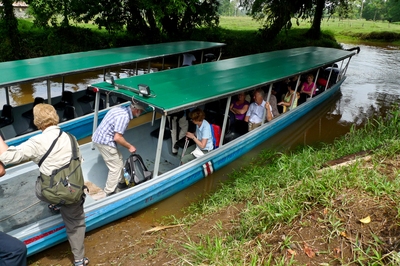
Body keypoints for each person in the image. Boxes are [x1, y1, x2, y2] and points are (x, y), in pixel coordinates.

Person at [0, 104, 88, 266]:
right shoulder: (70, 137)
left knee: (40, 184)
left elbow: (7, 158)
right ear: (55, 117)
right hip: (73, 190)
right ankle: (79, 259)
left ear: (36, 121)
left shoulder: (37, 142)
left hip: (51, 192)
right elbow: (79, 161)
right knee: (76, 223)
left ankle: (55, 203)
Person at [92, 101, 144, 196]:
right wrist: (130, 146)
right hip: (105, 141)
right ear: (137, 110)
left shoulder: (120, 108)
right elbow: (117, 137)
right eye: (141, 111)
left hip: (99, 137)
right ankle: (108, 193)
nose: (141, 113)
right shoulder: (124, 117)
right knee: (115, 168)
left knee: (119, 159)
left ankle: (122, 182)